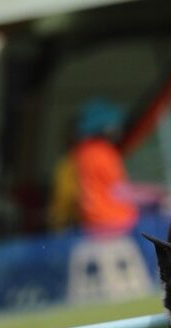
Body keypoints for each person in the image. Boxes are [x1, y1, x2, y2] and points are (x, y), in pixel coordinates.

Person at [47, 98, 162, 237]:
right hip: (115, 223)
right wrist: (154, 195)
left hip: (89, 224)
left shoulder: (78, 154)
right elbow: (119, 191)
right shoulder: (103, 152)